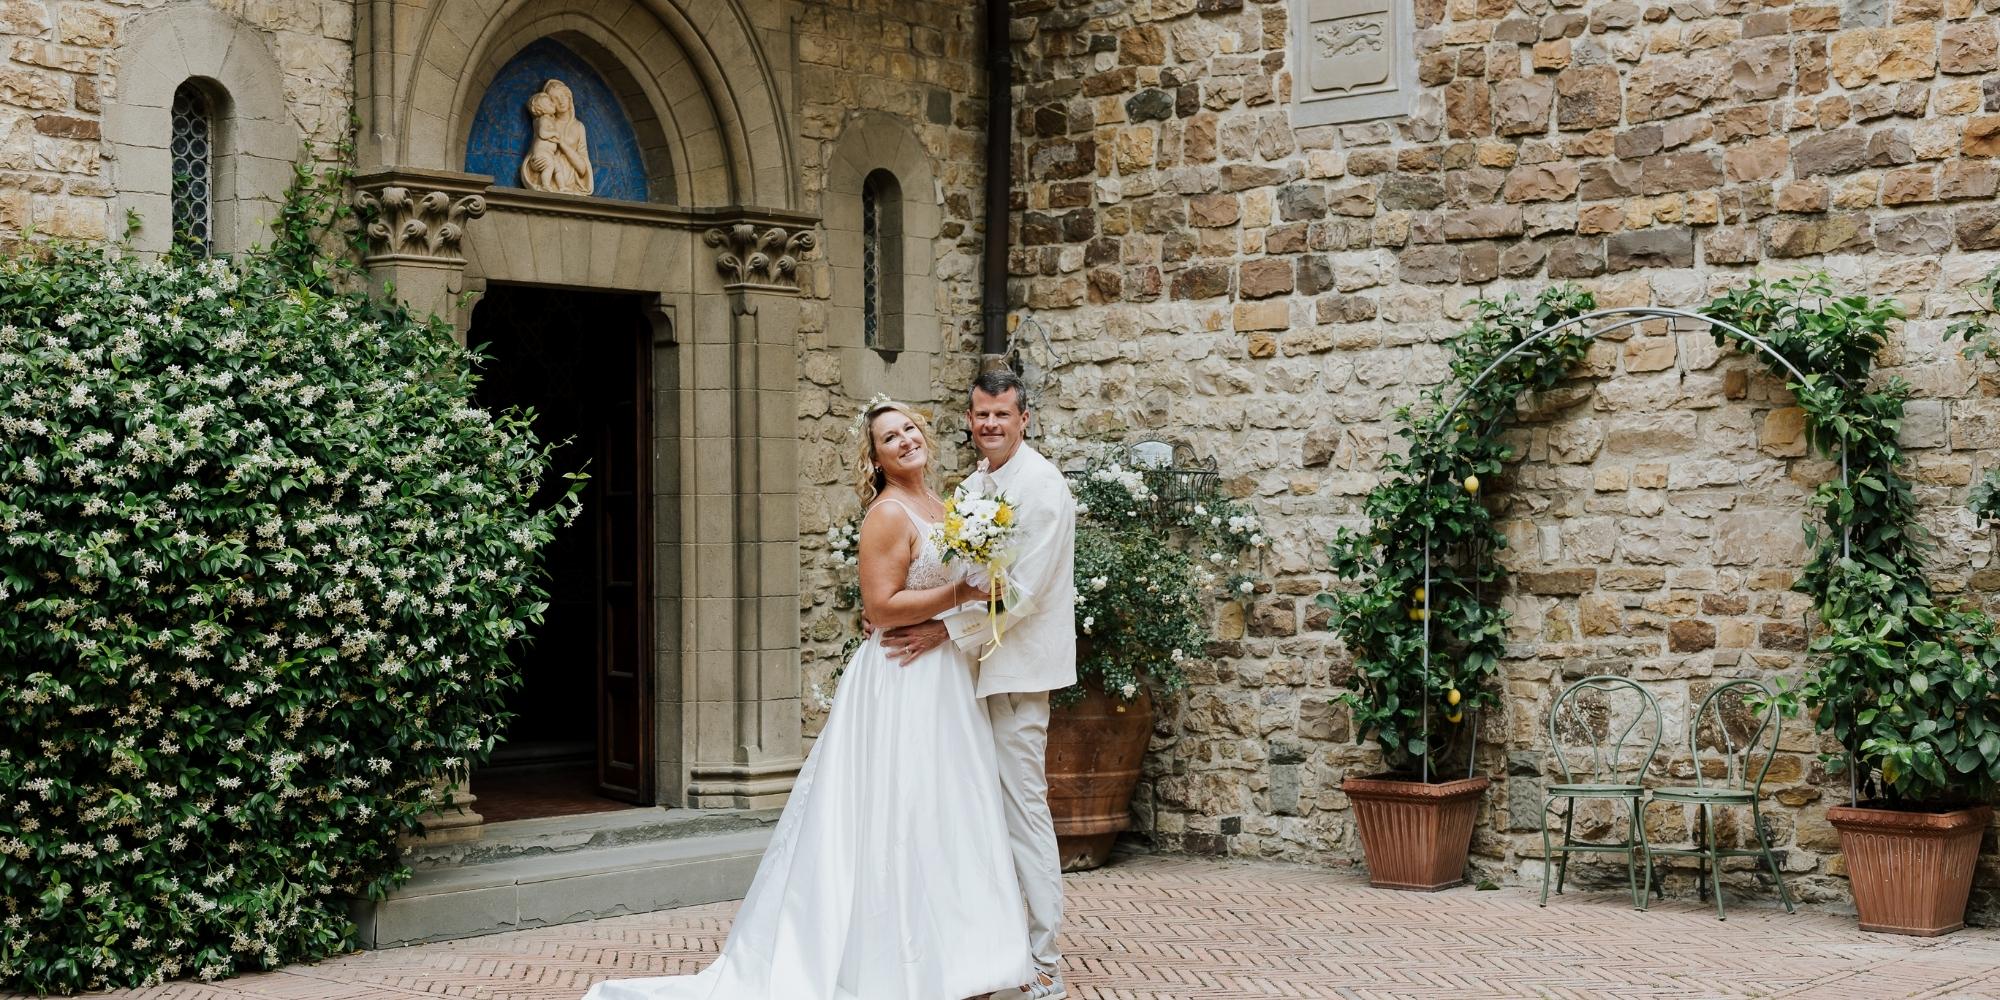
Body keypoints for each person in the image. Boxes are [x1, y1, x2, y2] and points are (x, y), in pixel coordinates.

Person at [582, 399, 1030, 1000]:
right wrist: (957, 592)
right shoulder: (888, 513)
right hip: (901, 679)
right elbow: (879, 609)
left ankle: (964, 957)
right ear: (874, 458)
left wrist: (983, 588)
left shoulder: (943, 504)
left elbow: (964, 587)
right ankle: (898, 962)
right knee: (902, 810)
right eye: (889, 438)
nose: (904, 441)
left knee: (950, 807)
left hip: (943, 674)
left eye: (909, 429)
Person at [882, 369, 1077, 1000]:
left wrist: (942, 632)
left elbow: (1020, 592)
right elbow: (962, 574)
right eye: (980, 415)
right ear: (970, 420)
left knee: (1023, 812)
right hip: (965, 676)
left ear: (1024, 419)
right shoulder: (970, 489)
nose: (990, 425)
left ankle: (1045, 961)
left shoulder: (1043, 488)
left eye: (1002, 415)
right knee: (967, 815)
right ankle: (982, 949)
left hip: (1015, 673)